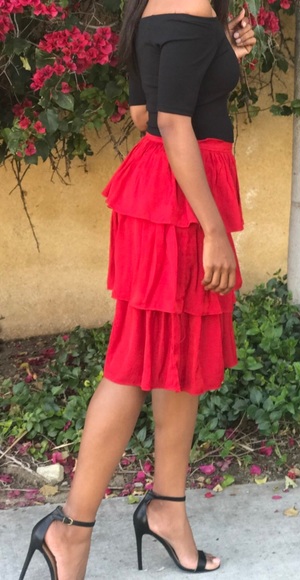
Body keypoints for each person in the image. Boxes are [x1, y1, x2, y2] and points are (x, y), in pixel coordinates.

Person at [19, 1, 256, 578]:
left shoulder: (150, 6)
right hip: (181, 206)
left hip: (166, 194)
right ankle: (69, 530)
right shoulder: (189, 8)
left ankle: (167, 509)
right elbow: (171, 124)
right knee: (132, 366)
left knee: (180, 360)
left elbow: (143, 112)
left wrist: (223, 54)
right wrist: (214, 230)